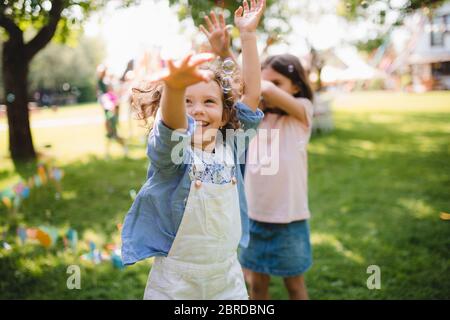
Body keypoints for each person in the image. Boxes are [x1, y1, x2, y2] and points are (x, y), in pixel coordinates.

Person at [121, 0, 266, 300]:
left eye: (209, 102)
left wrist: (248, 35)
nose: (197, 110)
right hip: (175, 283)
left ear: (226, 115)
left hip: (226, 277)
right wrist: (174, 88)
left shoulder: (233, 145)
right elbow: (173, 127)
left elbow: (251, 94)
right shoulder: (173, 156)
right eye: (187, 101)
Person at [239, 53, 315, 300]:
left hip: (289, 219)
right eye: (262, 79)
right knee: (257, 287)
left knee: (295, 286)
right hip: (255, 217)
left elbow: (264, 89)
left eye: (277, 82)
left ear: (295, 86)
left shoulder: (302, 112)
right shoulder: (254, 119)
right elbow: (253, 87)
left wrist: (258, 82)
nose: (267, 87)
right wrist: (222, 52)